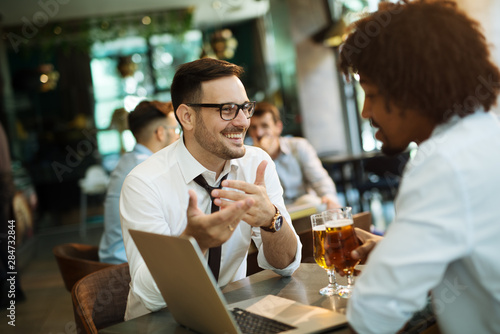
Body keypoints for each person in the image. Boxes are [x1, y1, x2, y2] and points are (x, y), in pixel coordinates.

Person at [335, 1, 500, 333]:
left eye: (370, 92)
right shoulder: (486, 135)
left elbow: (373, 317)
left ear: (411, 91)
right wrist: (397, 248)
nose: (366, 112)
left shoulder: (443, 162)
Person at [120, 58, 301, 320]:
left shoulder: (256, 165)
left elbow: (286, 266)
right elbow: (152, 297)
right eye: (227, 109)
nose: (242, 122)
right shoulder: (144, 184)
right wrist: (193, 243)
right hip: (160, 324)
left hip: (232, 314)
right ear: (187, 117)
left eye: (245, 107)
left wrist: (271, 219)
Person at [98, 101, 180, 264]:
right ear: (160, 133)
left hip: (116, 257)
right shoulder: (148, 169)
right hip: (126, 266)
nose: (179, 136)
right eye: (176, 130)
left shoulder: (130, 159)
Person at [248, 102, 340, 209]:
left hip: (305, 208)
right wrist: (262, 156)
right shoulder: (250, 159)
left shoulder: (298, 146)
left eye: (265, 126)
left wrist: (329, 198)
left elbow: (319, 180)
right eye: (253, 127)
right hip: (277, 214)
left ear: (278, 127)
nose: (258, 133)